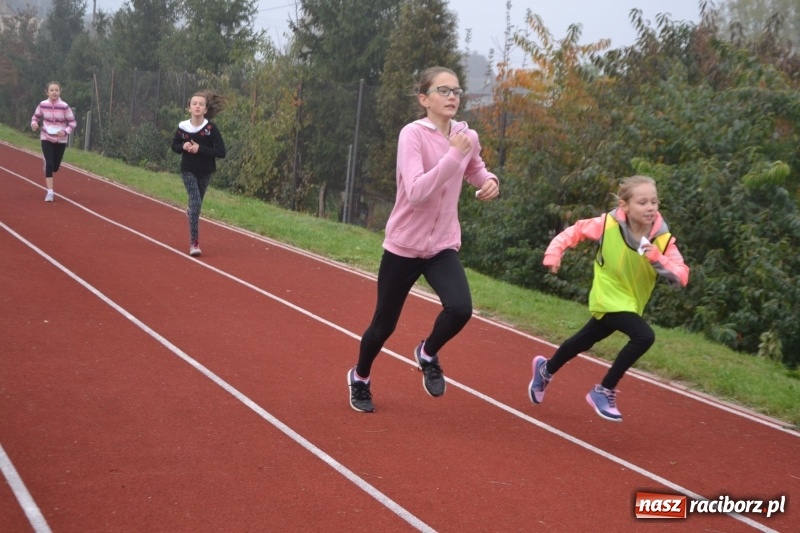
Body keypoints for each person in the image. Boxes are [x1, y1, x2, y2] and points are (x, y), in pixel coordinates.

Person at [347, 66, 500, 413]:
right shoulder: (412, 135)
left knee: (461, 309)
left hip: (442, 245)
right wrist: (453, 155)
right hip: (403, 246)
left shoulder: (466, 135)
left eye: (457, 91)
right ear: (424, 99)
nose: (452, 97)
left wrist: (488, 180)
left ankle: (427, 352)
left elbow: (474, 167)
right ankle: (360, 377)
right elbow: (415, 192)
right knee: (383, 326)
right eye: (443, 90)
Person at [528, 175, 689, 422]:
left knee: (583, 341)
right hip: (607, 294)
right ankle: (604, 390)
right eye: (642, 202)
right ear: (625, 206)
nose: (650, 208)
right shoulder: (607, 224)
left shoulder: (663, 240)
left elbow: (682, 275)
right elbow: (574, 231)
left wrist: (657, 258)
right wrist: (554, 253)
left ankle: (546, 369)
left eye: (654, 202)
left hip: (631, 302)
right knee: (644, 336)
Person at [171, 90, 227, 257]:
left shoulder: (211, 128)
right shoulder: (182, 128)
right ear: (189, 108)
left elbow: (221, 152)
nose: (197, 106)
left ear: (205, 109)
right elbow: (174, 146)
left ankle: (191, 210)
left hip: (206, 171)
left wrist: (199, 149)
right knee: (195, 201)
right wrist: (183, 147)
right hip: (188, 169)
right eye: (194, 104)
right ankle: (194, 243)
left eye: (201, 104)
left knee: (196, 205)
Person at [31, 81, 77, 202]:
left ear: (60, 92)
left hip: (61, 140)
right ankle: (50, 193)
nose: (54, 92)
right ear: (47, 92)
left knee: (55, 167)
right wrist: (34, 124)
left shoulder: (64, 107)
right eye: (52, 90)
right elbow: (35, 117)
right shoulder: (42, 105)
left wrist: (65, 131)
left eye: (56, 90)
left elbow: (72, 122)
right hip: (46, 137)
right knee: (49, 164)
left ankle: (49, 166)